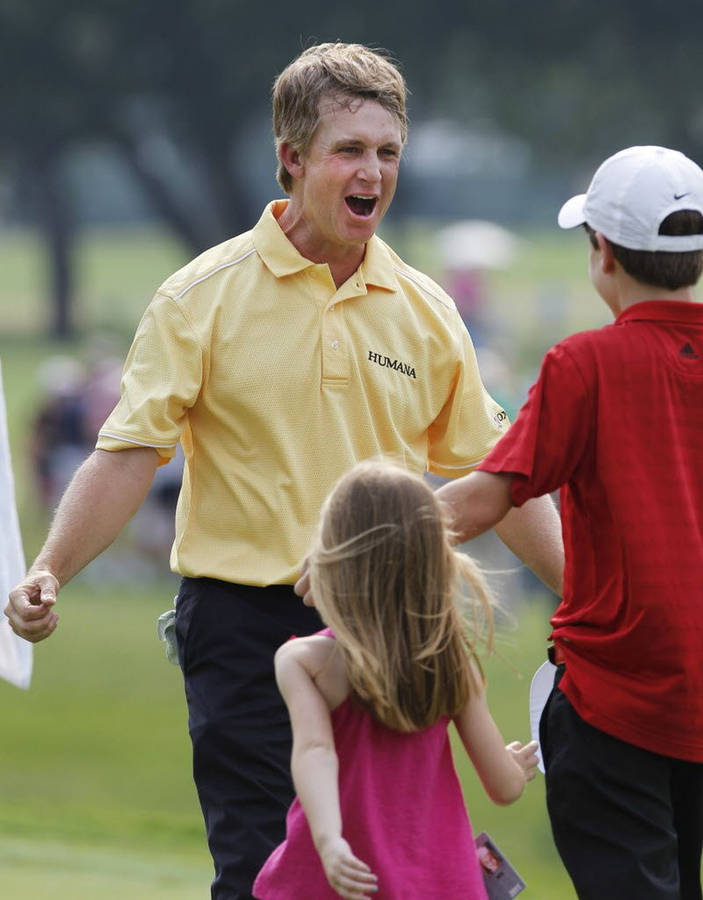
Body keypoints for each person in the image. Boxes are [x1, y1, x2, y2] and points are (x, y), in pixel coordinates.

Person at [5, 42, 563, 900]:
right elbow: (129, 454)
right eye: (349, 150)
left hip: (388, 627)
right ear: (292, 158)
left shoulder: (425, 311)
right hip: (243, 628)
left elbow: (500, 476)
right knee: (262, 870)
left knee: (387, 866)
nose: (372, 171)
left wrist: (584, 592)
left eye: (387, 151)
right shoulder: (200, 296)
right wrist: (50, 570)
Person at [435, 145, 703, 900]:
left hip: (611, 706)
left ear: (602, 252)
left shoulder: (582, 366)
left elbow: (486, 498)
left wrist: (357, 538)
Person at [253, 461, 538, 899]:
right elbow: (503, 787)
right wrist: (515, 766)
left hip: (335, 881)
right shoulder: (450, 661)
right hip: (439, 884)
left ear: (333, 558)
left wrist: (329, 841)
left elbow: (315, 751)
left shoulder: (306, 662)